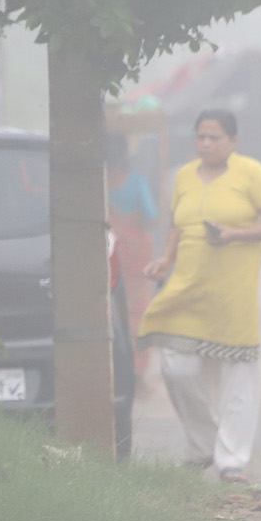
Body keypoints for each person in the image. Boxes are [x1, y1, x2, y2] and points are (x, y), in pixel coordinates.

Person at [137, 110, 261, 483]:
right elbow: (177, 224)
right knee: (177, 365)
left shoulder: (251, 173)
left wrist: (234, 234)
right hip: (191, 282)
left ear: (233, 142)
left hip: (242, 280)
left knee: (241, 367)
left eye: (214, 138)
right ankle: (204, 443)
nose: (205, 144)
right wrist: (164, 259)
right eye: (200, 137)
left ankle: (231, 458)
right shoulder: (184, 176)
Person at [105, 135, 158, 371]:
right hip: (136, 259)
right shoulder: (136, 182)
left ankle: (117, 371)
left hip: (107, 258)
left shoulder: (97, 184)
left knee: (108, 313)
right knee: (137, 314)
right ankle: (137, 372)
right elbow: (151, 218)